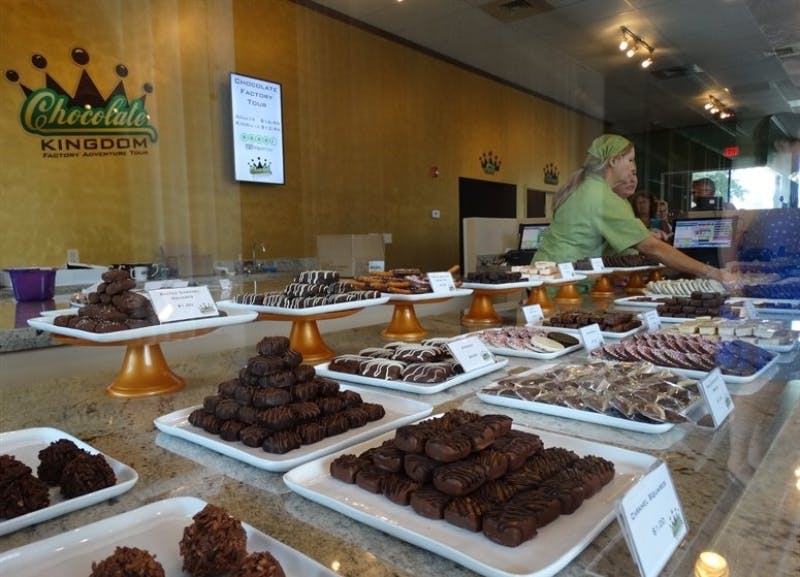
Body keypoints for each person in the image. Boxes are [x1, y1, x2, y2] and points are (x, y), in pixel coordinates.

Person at [534, 134, 734, 282]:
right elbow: (653, 247)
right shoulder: (600, 196)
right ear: (613, 161)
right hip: (561, 282)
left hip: (552, 276)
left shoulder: (588, 187)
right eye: (630, 160)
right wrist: (714, 273)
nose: (632, 168)